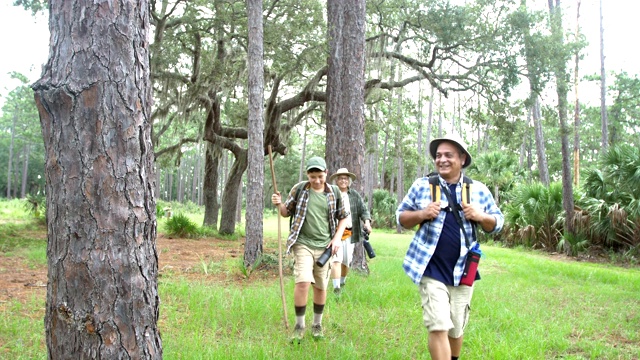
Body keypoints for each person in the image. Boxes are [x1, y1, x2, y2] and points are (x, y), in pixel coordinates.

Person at [396, 134, 504, 360]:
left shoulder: (478, 190)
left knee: (456, 328)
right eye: (438, 156)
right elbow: (401, 218)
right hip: (430, 268)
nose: (442, 160)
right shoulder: (422, 186)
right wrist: (422, 213)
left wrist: (481, 216)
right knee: (438, 325)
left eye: (448, 155)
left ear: (462, 159)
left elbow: (497, 224)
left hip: (463, 271)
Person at [271, 156, 349, 342]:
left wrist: (337, 238)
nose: (316, 180)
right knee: (303, 282)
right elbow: (285, 212)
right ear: (307, 174)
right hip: (302, 244)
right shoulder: (299, 190)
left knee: (321, 286)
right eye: (313, 176)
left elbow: (344, 217)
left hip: (325, 247)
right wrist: (278, 203)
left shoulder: (334, 192)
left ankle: (317, 325)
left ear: (326, 173)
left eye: (320, 176)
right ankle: (299, 326)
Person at [328, 168, 372, 295]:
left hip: (349, 234)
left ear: (349, 181)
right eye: (340, 178)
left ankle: (342, 283)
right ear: (337, 180)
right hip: (334, 234)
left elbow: (363, 210)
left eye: (345, 178)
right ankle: (336, 289)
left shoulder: (354, 195)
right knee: (336, 260)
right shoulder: (331, 194)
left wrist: (367, 222)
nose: (343, 180)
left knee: (346, 261)